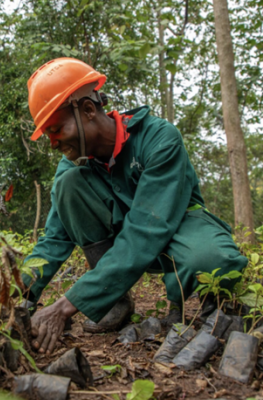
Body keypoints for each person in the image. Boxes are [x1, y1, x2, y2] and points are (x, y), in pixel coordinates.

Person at [21, 57, 247, 355]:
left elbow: (145, 230)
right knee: (68, 183)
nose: (52, 143)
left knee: (214, 261)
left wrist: (63, 307)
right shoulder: (72, 165)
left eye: (55, 129)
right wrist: (15, 295)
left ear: (88, 110)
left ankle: (197, 305)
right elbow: (53, 239)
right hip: (126, 239)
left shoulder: (159, 139)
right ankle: (113, 299)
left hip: (177, 225)